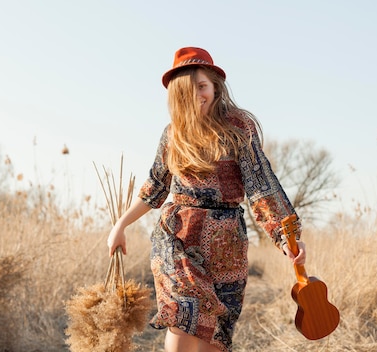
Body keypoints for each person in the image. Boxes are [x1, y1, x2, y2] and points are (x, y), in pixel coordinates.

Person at [107, 47, 306, 352]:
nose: (198, 94)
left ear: (215, 85)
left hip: (227, 244)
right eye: (189, 89)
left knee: (214, 338)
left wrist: (286, 238)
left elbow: (260, 184)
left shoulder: (239, 127)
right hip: (177, 240)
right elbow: (155, 189)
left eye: (202, 86)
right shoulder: (172, 134)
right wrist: (120, 226)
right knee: (183, 315)